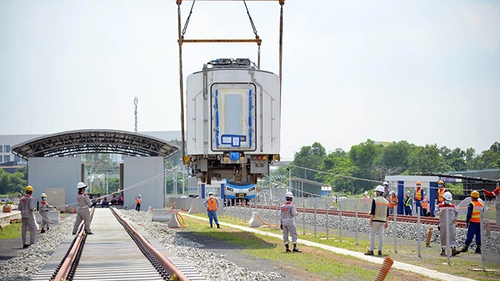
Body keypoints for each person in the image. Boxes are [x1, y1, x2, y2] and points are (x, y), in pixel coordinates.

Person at [365, 185, 389, 256]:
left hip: (375, 220)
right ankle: (380, 250)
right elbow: (387, 214)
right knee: (381, 235)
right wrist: (387, 222)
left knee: (372, 235)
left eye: (376, 191)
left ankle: (371, 250)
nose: (376, 193)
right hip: (383, 221)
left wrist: (370, 219)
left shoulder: (375, 200)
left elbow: (372, 212)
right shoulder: (386, 201)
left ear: (379, 192)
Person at [435, 192, 461, 256]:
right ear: (443, 199)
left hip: (451, 224)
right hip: (443, 224)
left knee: (452, 236)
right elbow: (436, 213)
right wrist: (441, 211)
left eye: (449, 200)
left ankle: (453, 250)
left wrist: (455, 219)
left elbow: (457, 212)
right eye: (447, 200)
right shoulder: (439, 206)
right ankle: (443, 250)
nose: (448, 201)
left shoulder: (452, 206)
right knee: (443, 237)